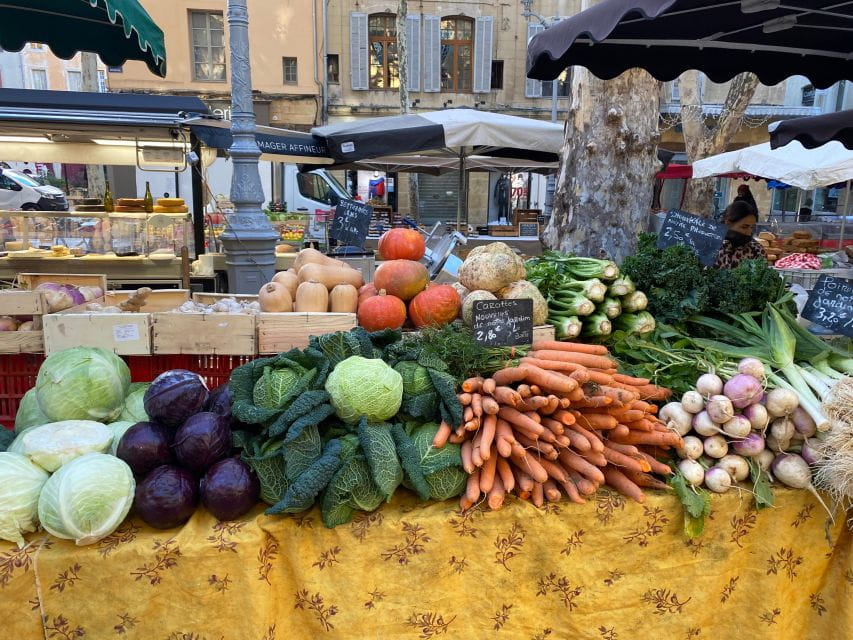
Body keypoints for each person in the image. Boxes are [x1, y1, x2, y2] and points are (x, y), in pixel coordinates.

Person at [714, 200, 767, 269]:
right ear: (728, 223)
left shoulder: (756, 250)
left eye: (752, 227)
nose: (749, 232)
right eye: (744, 227)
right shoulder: (711, 246)